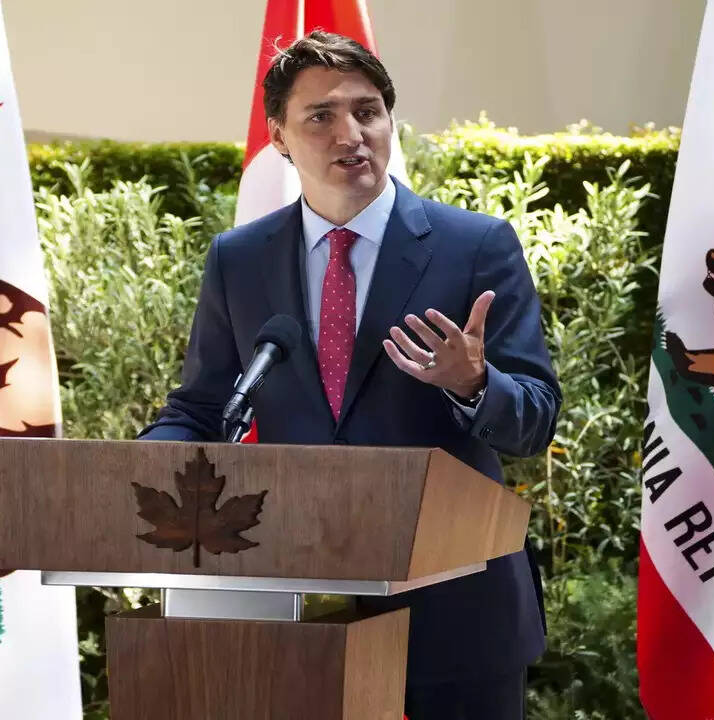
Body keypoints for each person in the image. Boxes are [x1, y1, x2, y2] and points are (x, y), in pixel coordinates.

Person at [139, 30, 561, 720]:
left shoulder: (474, 246)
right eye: (321, 117)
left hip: (456, 608)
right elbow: (203, 408)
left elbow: (535, 419)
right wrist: (129, 477)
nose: (350, 134)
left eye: (367, 112)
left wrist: (475, 383)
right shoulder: (240, 259)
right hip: (290, 604)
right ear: (279, 136)